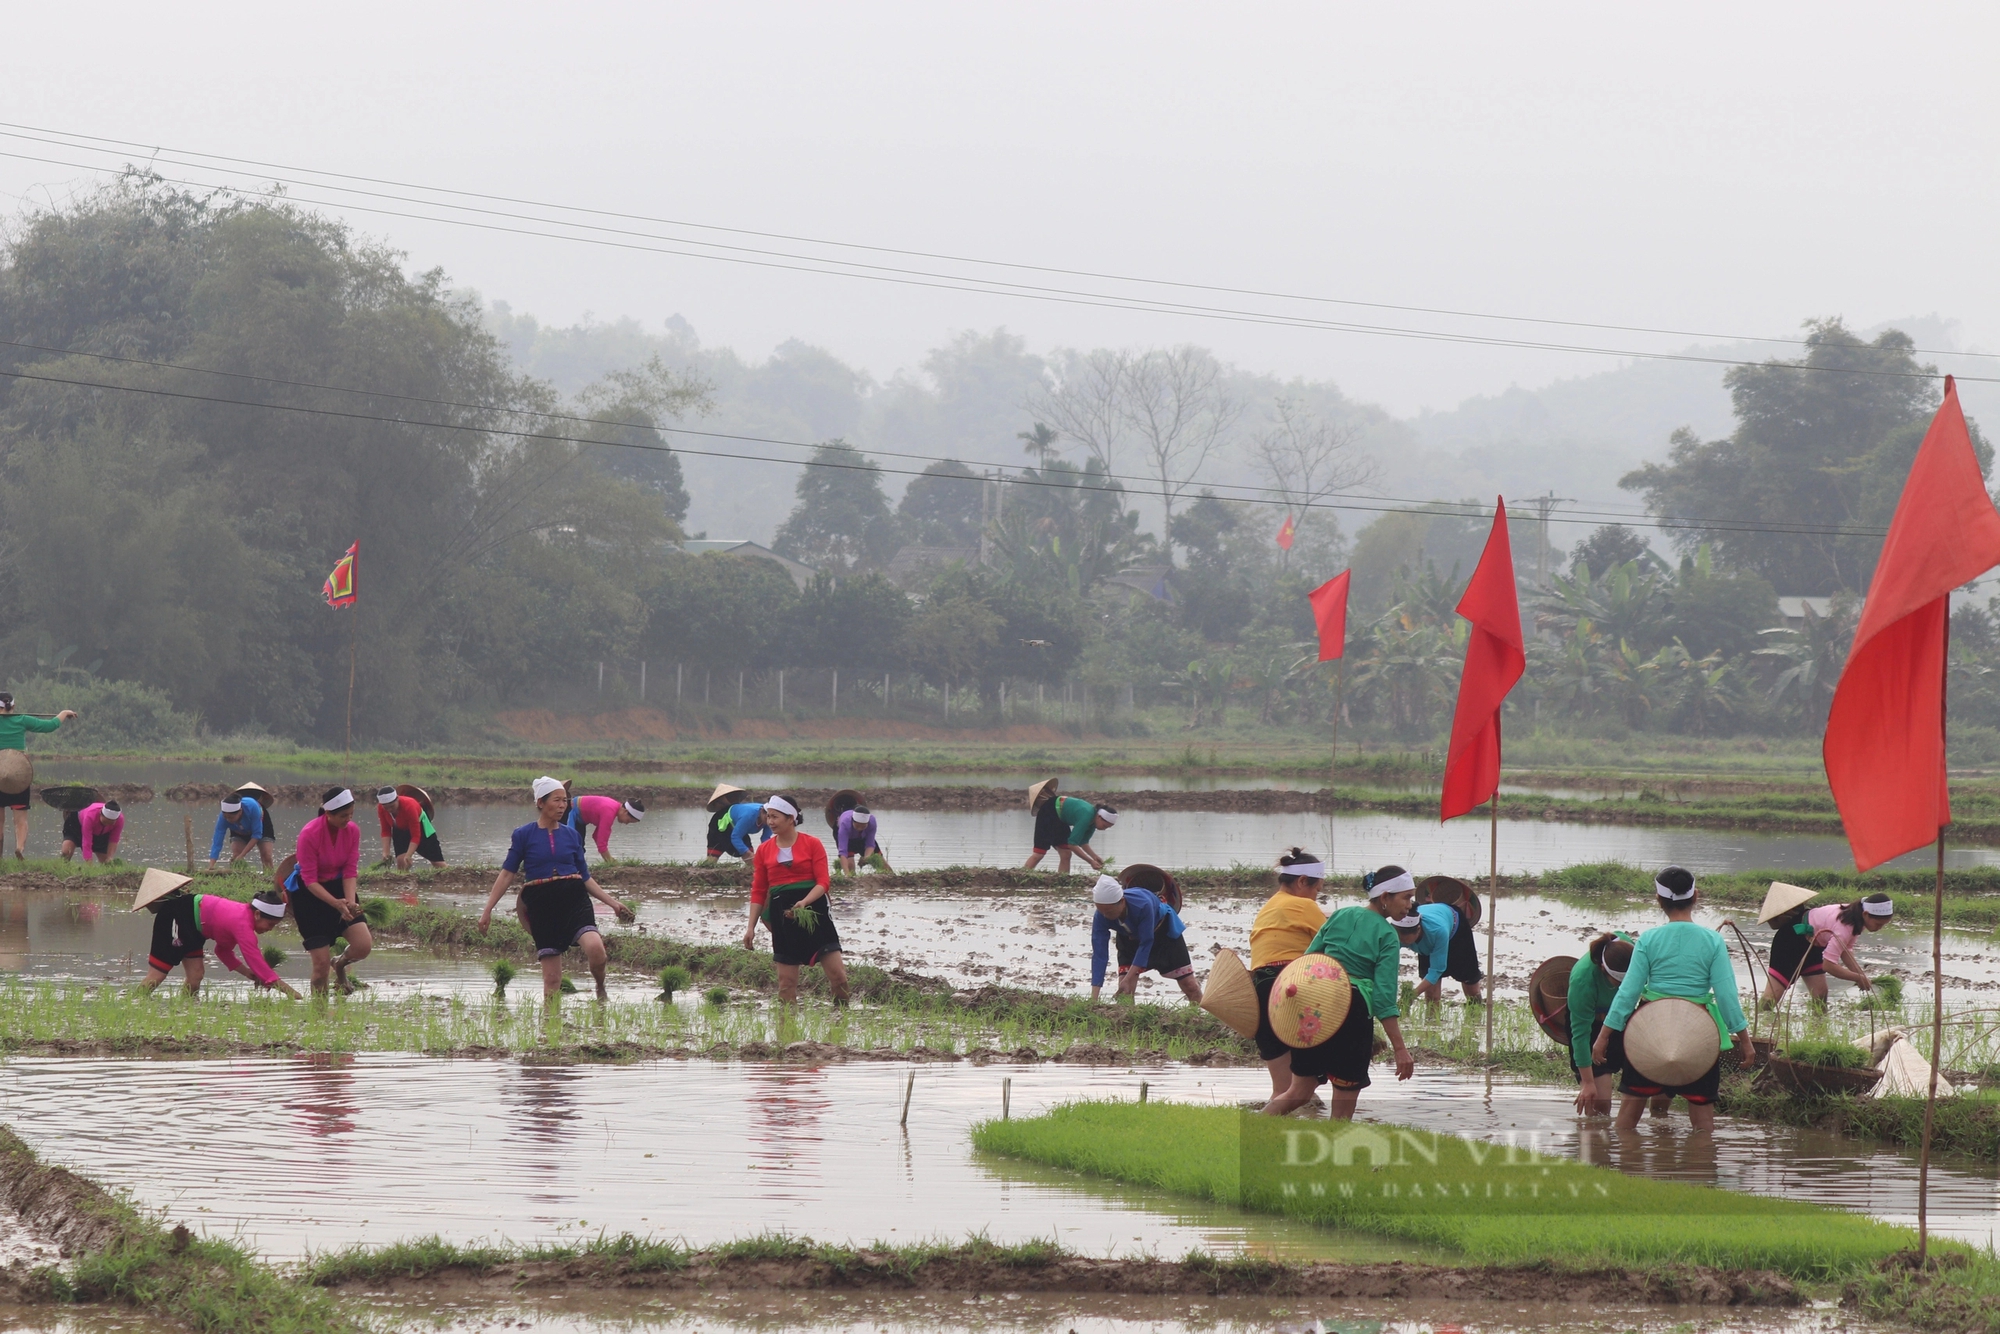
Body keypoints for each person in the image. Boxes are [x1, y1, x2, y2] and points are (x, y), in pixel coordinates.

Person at [1591, 866, 1755, 1131]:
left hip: (1649, 1031)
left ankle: (1623, 1168)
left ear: (1659, 900)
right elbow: (1726, 996)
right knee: (1703, 1125)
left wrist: (1603, 1036)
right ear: (1696, 896)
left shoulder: (1649, 939)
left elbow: (1628, 993)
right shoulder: (1712, 941)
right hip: (1697, 1032)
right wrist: (1745, 1041)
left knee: (1627, 1119)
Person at [1265, 864, 1418, 1119]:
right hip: (1352, 1010)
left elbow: (1309, 960)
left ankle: (1257, 1124)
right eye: (1406, 897)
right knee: (1343, 1103)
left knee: (1299, 1091)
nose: (1410, 905)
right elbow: (1383, 997)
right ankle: (1334, 1154)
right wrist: (1400, 1048)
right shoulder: (1388, 935)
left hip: (1315, 1004)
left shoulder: (1340, 915)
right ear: (1384, 898)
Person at [479, 776, 634, 1000]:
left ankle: (600, 986)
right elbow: (507, 873)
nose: (563, 805)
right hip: (541, 904)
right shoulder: (523, 835)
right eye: (557, 800)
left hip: (573, 898)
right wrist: (487, 910)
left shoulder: (571, 836)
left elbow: (585, 877)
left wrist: (613, 903)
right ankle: (550, 1028)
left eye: (565, 800)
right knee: (552, 980)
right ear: (540, 803)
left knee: (597, 951)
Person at [740, 793, 849, 1004]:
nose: (770, 822)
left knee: (839, 977)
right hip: (783, 914)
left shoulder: (812, 844)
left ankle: (841, 1022)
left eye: (775, 817)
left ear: (791, 818)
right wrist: (750, 927)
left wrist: (805, 902)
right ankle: (787, 1031)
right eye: (768, 816)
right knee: (786, 983)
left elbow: (823, 882)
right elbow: (759, 891)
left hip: (814, 910)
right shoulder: (764, 850)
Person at [1248, 847, 1328, 1098]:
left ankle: (1270, 1125)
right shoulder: (1304, 906)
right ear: (1302, 881)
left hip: (1260, 990)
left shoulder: (1270, 906)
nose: (1316, 896)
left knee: (1283, 1089)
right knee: (1305, 1084)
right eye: (1316, 889)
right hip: (1292, 987)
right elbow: (1335, 944)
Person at [139, 886, 303, 1000]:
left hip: (195, 928)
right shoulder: (242, 925)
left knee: (195, 976)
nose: (270, 929)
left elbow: (222, 951)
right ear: (258, 914)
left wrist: (248, 974)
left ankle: (186, 1007)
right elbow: (256, 961)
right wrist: (292, 994)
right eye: (270, 925)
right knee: (157, 976)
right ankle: (134, 1002)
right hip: (178, 916)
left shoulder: (242, 920)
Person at [283, 788, 373, 994]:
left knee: (363, 946)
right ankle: (319, 1016)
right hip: (309, 895)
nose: (348, 820)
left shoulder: (352, 831)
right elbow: (309, 879)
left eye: (351, 814)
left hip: (339, 886)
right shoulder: (309, 834)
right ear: (328, 814)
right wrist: (336, 904)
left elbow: (350, 870)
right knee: (321, 966)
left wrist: (349, 902)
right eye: (343, 816)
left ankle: (340, 964)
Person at [1760, 893, 1894, 1007]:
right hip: (1791, 942)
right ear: (1866, 914)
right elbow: (1829, 965)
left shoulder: (1856, 918)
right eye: (1878, 924)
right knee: (1770, 999)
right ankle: (1757, 1028)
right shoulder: (1844, 926)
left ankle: (1818, 1030)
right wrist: (1857, 977)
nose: (1879, 928)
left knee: (1820, 996)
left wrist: (1861, 975)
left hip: (1813, 946)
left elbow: (1846, 951)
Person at [1090, 873, 1202, 1005]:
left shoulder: (1143, 905)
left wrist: (1128, 977)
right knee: (1125, 992)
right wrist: (1094, 1000)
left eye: (1108, 912)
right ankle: (1129, 1024)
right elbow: (1099, 955)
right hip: (1129, 938)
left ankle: (1200, 1019)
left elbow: (1146, 942)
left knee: (1190, 986)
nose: (1105, 916)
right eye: (1101, 911)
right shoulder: (1101, 916)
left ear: (1122, 901)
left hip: (1163, 936)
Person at [1566, 933, 1636, 1115]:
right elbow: (1580, 1036)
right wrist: (1588, 1083)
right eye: (1619, 983)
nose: (1624, 989)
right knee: (1599, 1105)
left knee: (1637, 1093)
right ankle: (1594, 1141)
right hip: (1592, 1026)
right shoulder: (1583, 981)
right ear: (1603, 969)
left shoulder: (1629, 950)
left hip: (1622, 1018)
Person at [0, 693, 76, 860]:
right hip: (18, 774)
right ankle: (19, 847)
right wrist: (63, 713)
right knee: (20, 818)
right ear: (12, 706)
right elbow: (49, 726)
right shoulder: (22, 720)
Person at [1402, 883, 1484, 1003]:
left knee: (1469, 982)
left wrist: (1412, 996)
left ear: (1418, 930)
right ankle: (1431, 1020)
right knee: (1431, 995)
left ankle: (1476, 1015)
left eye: (1408, 941)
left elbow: (1436, 970)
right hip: (1429, 936)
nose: (1405, 943)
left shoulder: (1437, 931)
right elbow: (1386, 961)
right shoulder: (1396, 934)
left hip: (1456, 929)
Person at [375, 786, 447, 870]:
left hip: (421, 828)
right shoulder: (381, 808)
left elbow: (416, 836)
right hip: (400, 829)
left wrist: (409, 855)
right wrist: (386, 852)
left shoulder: (409, 806)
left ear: (397, 799)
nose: (389, 809)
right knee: (401, 861)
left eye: (392, 806)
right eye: (386, 807)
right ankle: (403, 881)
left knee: (438, 863)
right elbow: (385, 831)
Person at [209, 792, 277, 870]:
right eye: (226, 817)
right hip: (238, 829)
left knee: (266, 855)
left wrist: (242, 855)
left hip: (260, 823)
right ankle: (237, 877)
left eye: (230, 817)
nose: (228, 819)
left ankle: (269, 877)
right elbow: (217, 842)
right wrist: (211, 865)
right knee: (236, 856)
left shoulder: (252, 807)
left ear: (240, 811)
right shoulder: (224, 818)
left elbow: (257, 835)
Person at [572, 794, 645, 863]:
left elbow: (596, 836)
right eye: (628, 820)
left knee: (579, 849)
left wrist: (610, 858)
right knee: (572, 848)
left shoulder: (613, 807)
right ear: (625, 811)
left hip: (579, 820)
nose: (626, 823)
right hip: (571, 812)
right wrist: (610, 861)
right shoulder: (609, 812)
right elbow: (601, 844)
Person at [703, 798, 770, 865]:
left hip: (737, 824)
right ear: (761, 811)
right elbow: (735, 837)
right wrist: (748, 853)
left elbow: (765, 838)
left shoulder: (771, 819)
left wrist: (767, 853)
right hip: (721, 821)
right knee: (713, 857)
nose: (769, 821)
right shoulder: (748, 816)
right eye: (766, 818)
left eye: (773, 817)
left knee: (752, 859)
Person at [59, 799, 124, 863]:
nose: (107, 824)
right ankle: (61, 868)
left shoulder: (120, 820)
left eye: (111, 823)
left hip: (102, 832)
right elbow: (87, 842)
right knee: (66, 852)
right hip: (77, 824)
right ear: (100, 813)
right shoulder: (90, 816)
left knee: (106, 863)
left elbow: (113, 840)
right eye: (105, 822)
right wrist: (89, 865)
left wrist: (110, 857)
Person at [833, 803, 888, 875]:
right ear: (852, 821)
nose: (859, 828)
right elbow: (843, 852)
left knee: (883, 864)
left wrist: (866, 858)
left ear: (867, 823)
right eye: (857, 826)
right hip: (848, 837)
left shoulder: (872, 822)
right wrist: (847, 875)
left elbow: (870, 844)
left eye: (863, 826)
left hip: (863, 837)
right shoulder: (845, 824)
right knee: (850, 864)